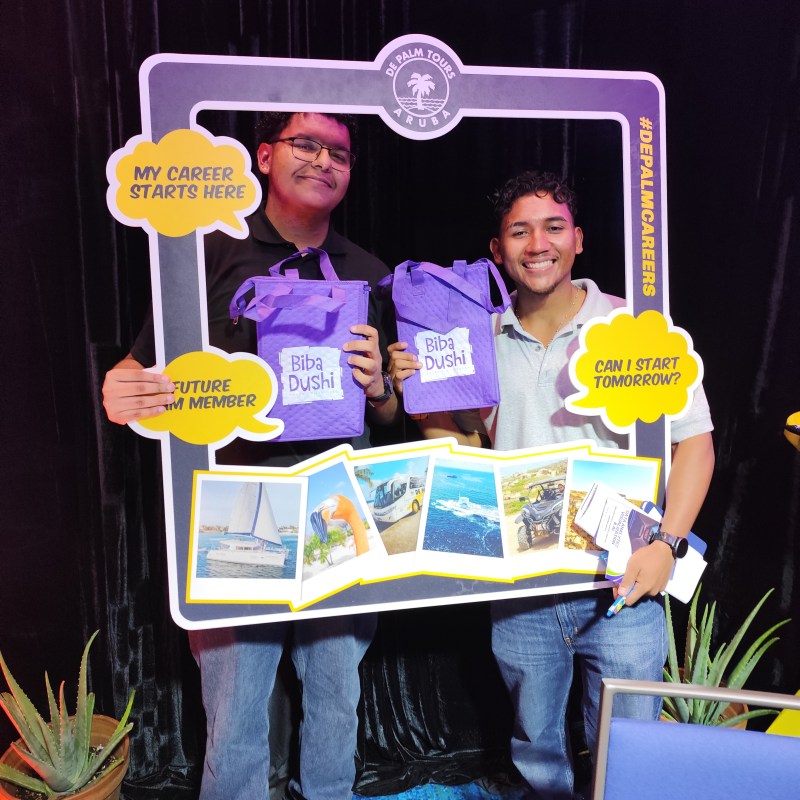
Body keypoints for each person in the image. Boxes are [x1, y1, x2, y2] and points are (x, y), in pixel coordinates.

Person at [389, 170, 715, 799]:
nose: (537, 243)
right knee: (535, 748)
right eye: (519, 230)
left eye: (553, 226)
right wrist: (422, 397)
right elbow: (460, 449)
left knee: (629, 753)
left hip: (623, 584)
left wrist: (666, 546)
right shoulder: (472, 340)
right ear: (497, 250)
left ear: (579, 240)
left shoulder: (637, 326)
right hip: (520, 588)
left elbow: (695, 442)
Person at [102, 111, 398, 800]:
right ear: (264, 155)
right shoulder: (205, 253)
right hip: (239, 504)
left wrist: (380, 386)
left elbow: (388, 416)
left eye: (340, 154)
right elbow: (139, 369)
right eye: (306, 145)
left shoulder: (369, 272)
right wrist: (122, 390)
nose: (324, 162)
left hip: (339, 493)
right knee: (235, 699)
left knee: (335, 687)